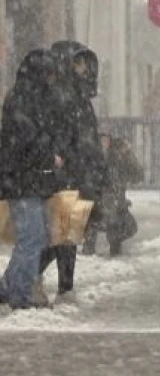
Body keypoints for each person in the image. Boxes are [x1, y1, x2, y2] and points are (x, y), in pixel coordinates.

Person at [0, 50, 67, 309]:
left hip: (27, 179)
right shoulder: (23, 102)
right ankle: (19, 293)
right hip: (23, 180)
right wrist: (50, 157)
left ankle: (12, 286)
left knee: (34, 238)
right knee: (31, 237)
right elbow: (29, 140)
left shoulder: (29, 99)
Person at [39, 41, 105, 298]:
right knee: (63, 235)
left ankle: (64, 284)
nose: (84, 69)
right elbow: (66, 136)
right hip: (68, 174)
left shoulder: (77, 96)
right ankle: (31, 279)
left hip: (79, 172)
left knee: (68, 234)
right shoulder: (63, 97)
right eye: (78, 63)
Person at [85, 132, 143, 256]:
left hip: (114, 200)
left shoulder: (118, 158)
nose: (103, 144)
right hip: (97, 200)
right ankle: (89, 252)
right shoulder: (93, 158)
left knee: (115, 225)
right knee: (92, 224)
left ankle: (114, 252)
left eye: (106, 140)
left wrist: (128, 154)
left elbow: (137, 175)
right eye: (101, 140)